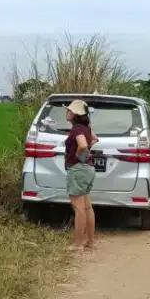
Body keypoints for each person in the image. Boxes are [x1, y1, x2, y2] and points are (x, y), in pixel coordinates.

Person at [64, 99, 98, 250]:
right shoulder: (86, 127)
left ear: (75, 114)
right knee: (87, 207)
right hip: (88, 169)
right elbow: (95, 139)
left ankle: (77, 244)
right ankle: (90, 241)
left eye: (69, 111)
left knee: (78, 208)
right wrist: (87, 152)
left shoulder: (77, 129)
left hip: (78, 170)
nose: (67, 113)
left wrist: (79, 154)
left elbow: (83, 144)